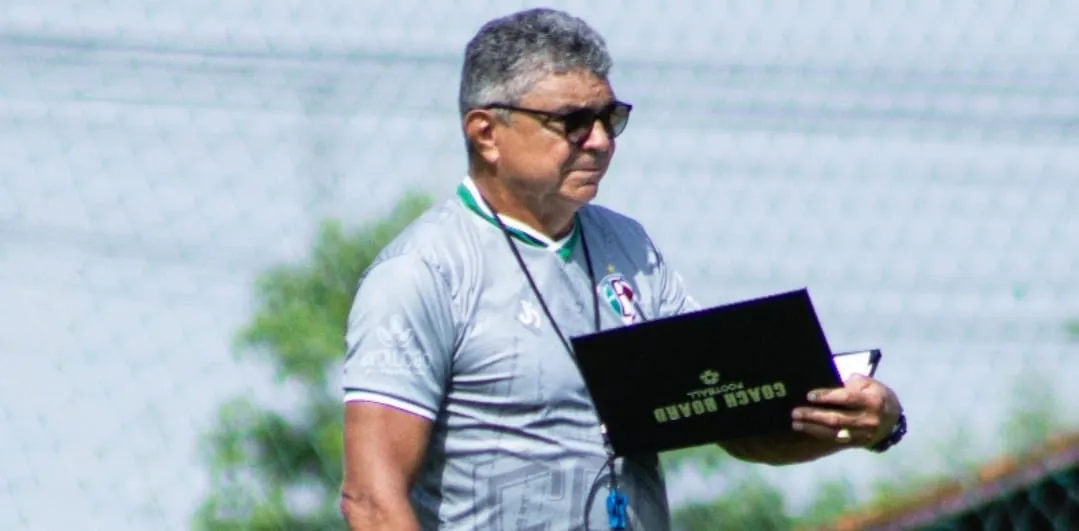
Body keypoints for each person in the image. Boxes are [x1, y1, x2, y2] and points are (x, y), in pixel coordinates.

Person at [338, 7, 907, 531]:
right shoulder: (422, 273)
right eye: (573, 122)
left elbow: (734, 422)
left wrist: (865, 424)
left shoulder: (627, 248)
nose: (601, 141)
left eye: (611, 117)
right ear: (487, 133)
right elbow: (371, 497)